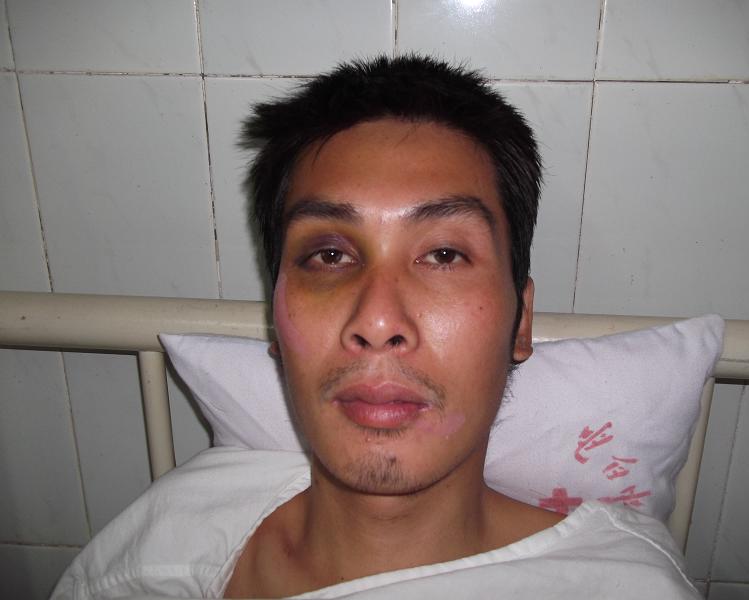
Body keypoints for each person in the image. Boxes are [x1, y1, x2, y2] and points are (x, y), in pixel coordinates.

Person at [52, 55, 700, 599]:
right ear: (276, 321)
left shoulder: (621, 585)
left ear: (520, 321)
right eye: (329, 256)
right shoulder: (154, 556)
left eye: (443, 254)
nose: (378, 321)